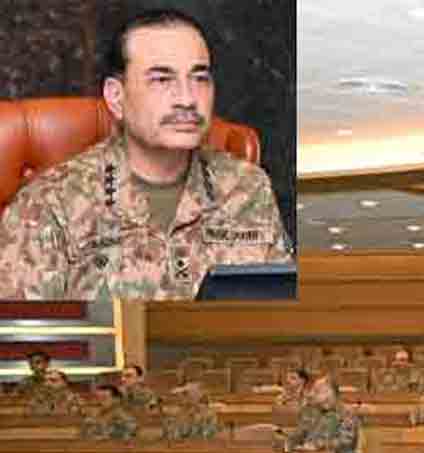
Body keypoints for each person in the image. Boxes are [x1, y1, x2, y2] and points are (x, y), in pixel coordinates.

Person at [0, 8, 290, 301]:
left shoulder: (247, 188)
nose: (187, 99)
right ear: (116, 97)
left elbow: (279, 313)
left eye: (200, 78)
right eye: (162, 80)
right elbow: (23, 327)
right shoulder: (51, 203)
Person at [285, 375, 360, 453]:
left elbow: (346, 442)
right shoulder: (312, 411)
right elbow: (300, 433)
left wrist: (318, 446)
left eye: (317, 391)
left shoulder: (346, 413)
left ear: (329, 393)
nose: (311, 394)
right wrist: (288, 443)